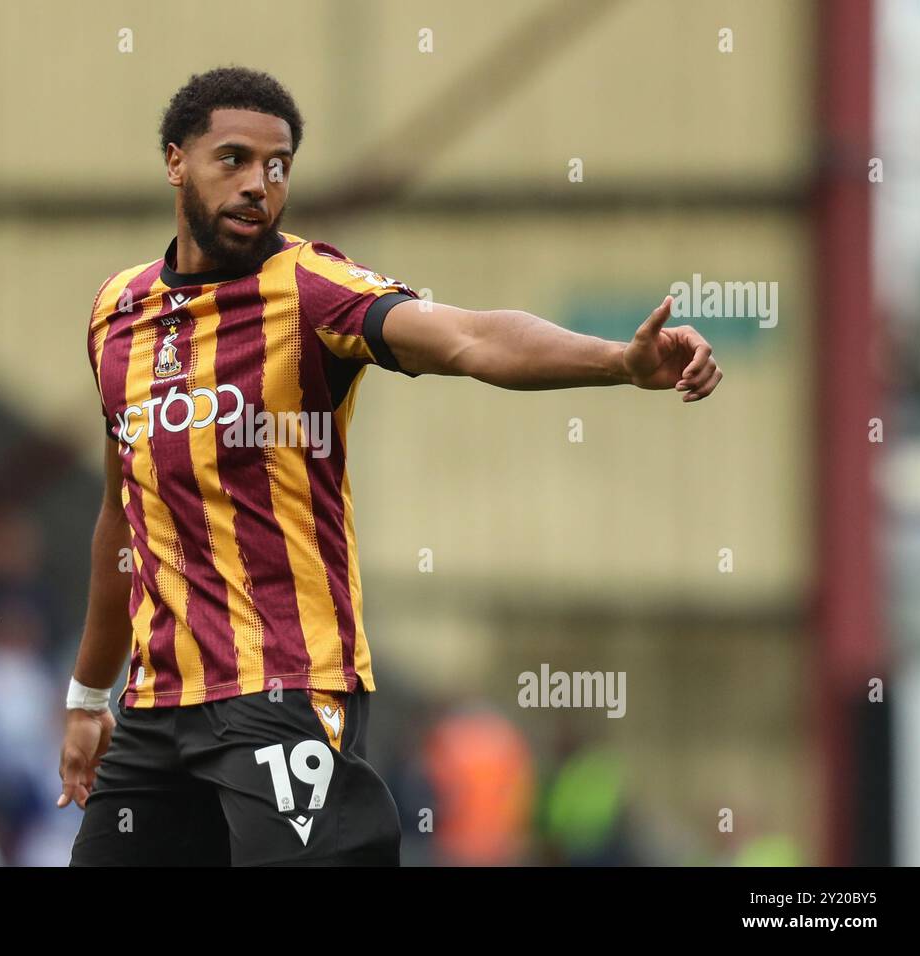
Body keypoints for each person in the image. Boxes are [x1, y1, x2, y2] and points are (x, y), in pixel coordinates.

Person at [59, 67, 722, 867]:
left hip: (282, 689)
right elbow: (118, 516)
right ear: (175, 162)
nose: (256, 185)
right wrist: (91, 695)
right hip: (157, 708)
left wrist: (616, 360)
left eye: (277, 167)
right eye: (231, 159)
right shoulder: (118, 313)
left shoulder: (309, 289)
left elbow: (469, 338)